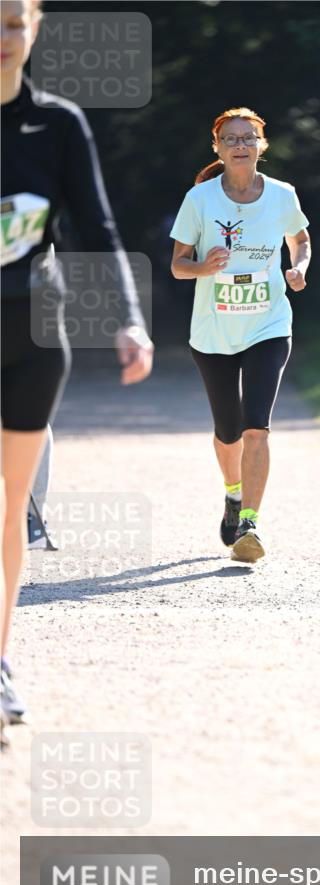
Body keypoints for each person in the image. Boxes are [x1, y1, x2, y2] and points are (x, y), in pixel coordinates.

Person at [0, 0, 154, 733]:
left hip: (33, 336)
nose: (2, 38)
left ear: (35, 28)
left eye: (12, 23)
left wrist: (128, 316)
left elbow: (98, 225)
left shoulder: (59, 125)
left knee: (9, 512)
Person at [170, 106, 311, 563]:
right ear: (217, 148)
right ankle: (233, 493)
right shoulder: (200, 199)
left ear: (261, 145)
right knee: (228, 432)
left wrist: (298, 268)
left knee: (256, 428)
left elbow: (300, 240)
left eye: (248, 137)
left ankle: (250, 522)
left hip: (268, 325)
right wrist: (203, 267)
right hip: (213, 331)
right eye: (230, 139)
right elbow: (177, 266)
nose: (240, 145)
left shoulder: (283, 195)